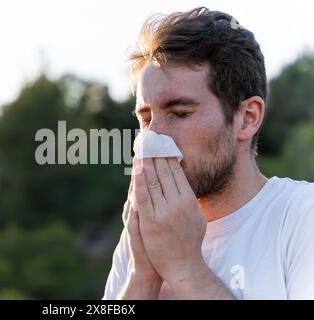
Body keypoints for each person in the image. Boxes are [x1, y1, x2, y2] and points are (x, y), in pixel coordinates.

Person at [103, 7, 314, 299]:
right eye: (146, 118)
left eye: (179, 113)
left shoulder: (302, 219)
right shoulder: (142, 233)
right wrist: (143, 276)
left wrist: (185, 268)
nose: (153, 138)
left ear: (248, 118)